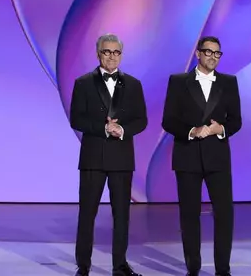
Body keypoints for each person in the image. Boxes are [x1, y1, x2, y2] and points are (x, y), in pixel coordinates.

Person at [161, 36, 242, 276]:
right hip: (188, 157)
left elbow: (236, 120)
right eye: (208, 52)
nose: (212, 57)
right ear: (198, 54)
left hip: (217, 158)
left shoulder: (229, 82)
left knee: (225, 214)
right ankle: (193, 267)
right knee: (189, 214)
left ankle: (222, 269)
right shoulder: (178, 82)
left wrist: (221, 129)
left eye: (217, 53)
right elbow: (168, 120)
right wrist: (191, 131)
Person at [70, 33, 148, 276]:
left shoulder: (134, 85)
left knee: (122, 215)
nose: (112, 56)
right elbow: (77, 118)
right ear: (98, 53)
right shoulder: (83, 83)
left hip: (122, 158)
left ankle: (120, 265)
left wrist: (123, 129)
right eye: (107, 52)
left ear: (121, 55)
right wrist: (103, 128)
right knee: (87, 214)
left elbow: (141, 120)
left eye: (116, 52)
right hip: (93, 157)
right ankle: (83, 266)